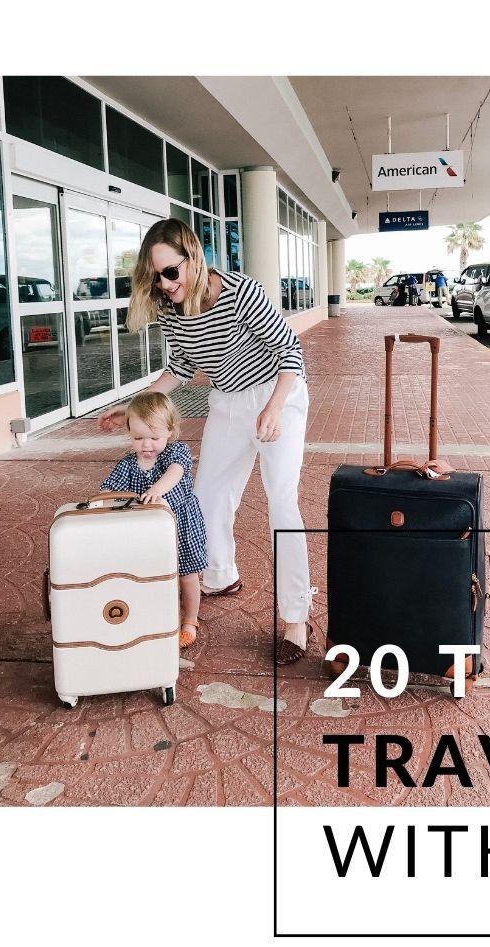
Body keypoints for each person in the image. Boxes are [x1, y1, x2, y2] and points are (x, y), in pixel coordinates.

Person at [98, 219, 314, 665]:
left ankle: (297, 616)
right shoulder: (172, 310)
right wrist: (136, 405)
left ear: (193, 257)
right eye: (155, 278)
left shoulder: (241, 293)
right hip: (227, 401)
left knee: (281, 502)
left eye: (171, 273)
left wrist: (273, 408)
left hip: (279, 394)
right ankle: (221, 574)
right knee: (206, 496)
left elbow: (290, 351)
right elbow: (180, 366)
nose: (165, 284)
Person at [101, 391, 207, 650]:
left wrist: (157, 490)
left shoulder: (176, 452)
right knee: (152, 575)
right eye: (138, 438)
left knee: (187, 575)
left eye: (154, 437)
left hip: (180, 526)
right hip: (146, 531)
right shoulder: (127, 464)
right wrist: (105, 500)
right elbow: (108, 491)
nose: (146, 445)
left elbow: (176, 472)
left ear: (170, 431)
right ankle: (158, 617)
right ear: (129, 433)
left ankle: (190, 620)